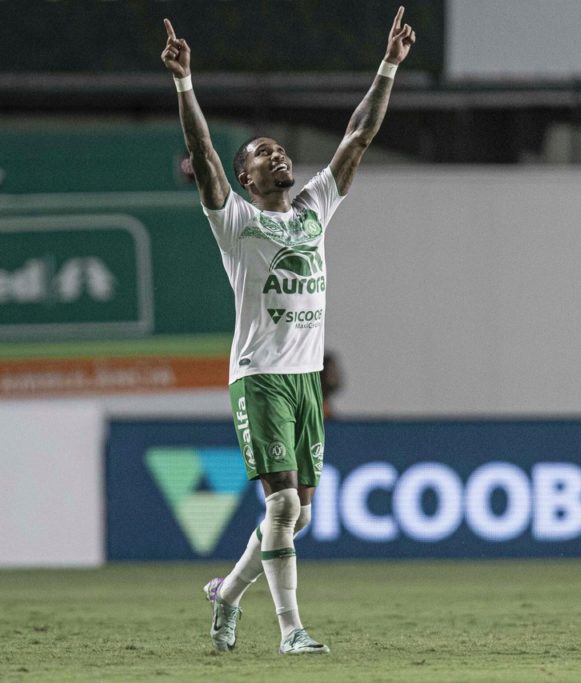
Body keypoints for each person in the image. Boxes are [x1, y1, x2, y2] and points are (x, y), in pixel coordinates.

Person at [160, 8, 415, 655]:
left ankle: (226, 595)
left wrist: (388, 65)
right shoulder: (236, 222)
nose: (278, 154)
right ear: (247, 177)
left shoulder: (312, 210)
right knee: (281, 510)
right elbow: (207, 156)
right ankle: (290, 630)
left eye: (279, 148)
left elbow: (357, 136)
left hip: (303, 381)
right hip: (260, 377)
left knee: (296, 513)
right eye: (264, 153)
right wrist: (184, 84)